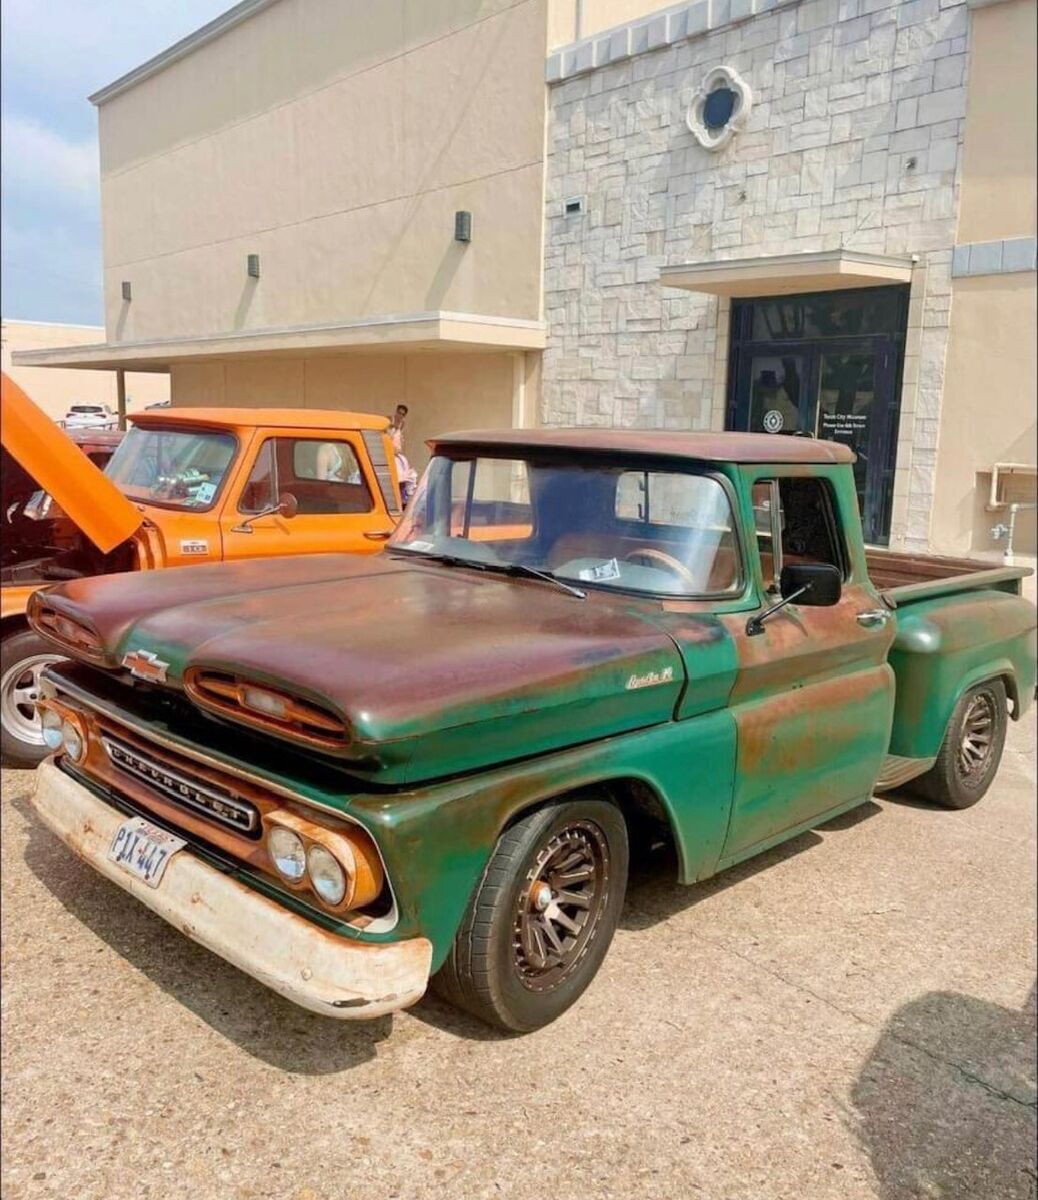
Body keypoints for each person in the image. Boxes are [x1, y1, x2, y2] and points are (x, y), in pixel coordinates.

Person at [390, 425, 418, 506]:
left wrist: (411, 478)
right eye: (399, 437)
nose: (402, 440)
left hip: (403, 503)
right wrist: (399, 479)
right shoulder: (381, 459)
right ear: (390, 439)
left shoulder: (401, 459)